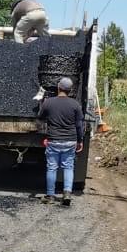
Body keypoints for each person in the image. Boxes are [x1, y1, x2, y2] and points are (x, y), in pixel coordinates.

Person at [37, 76, 84, 205]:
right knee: (68, 167)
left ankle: (50, 196)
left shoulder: (49, 102)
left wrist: (42, 104)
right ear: (70, 90)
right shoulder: (75, 105)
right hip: (70, 141)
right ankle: (67, 193)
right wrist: (80, 140)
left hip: (53, 140)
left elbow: (40, 118)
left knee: (52, 168)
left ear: (59, 87)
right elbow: (79, 125)